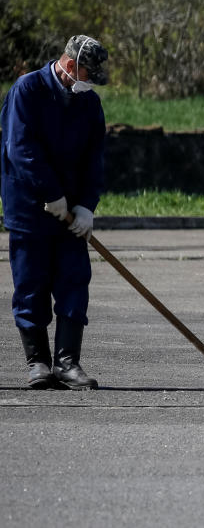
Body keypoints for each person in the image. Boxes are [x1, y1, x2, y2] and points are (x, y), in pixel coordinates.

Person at [1, 34, 109, 389]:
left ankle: (67, 363)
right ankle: (38, 364)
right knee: (31, 284)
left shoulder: (89, 104)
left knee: (74, 281)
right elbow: (21, 148)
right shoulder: (27, 90)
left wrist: (85, 207)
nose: (89, 82)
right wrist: (51, 193)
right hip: (29, 209)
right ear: (70, 64)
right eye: (87, 74)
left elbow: (96, 157)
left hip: (71, 214)